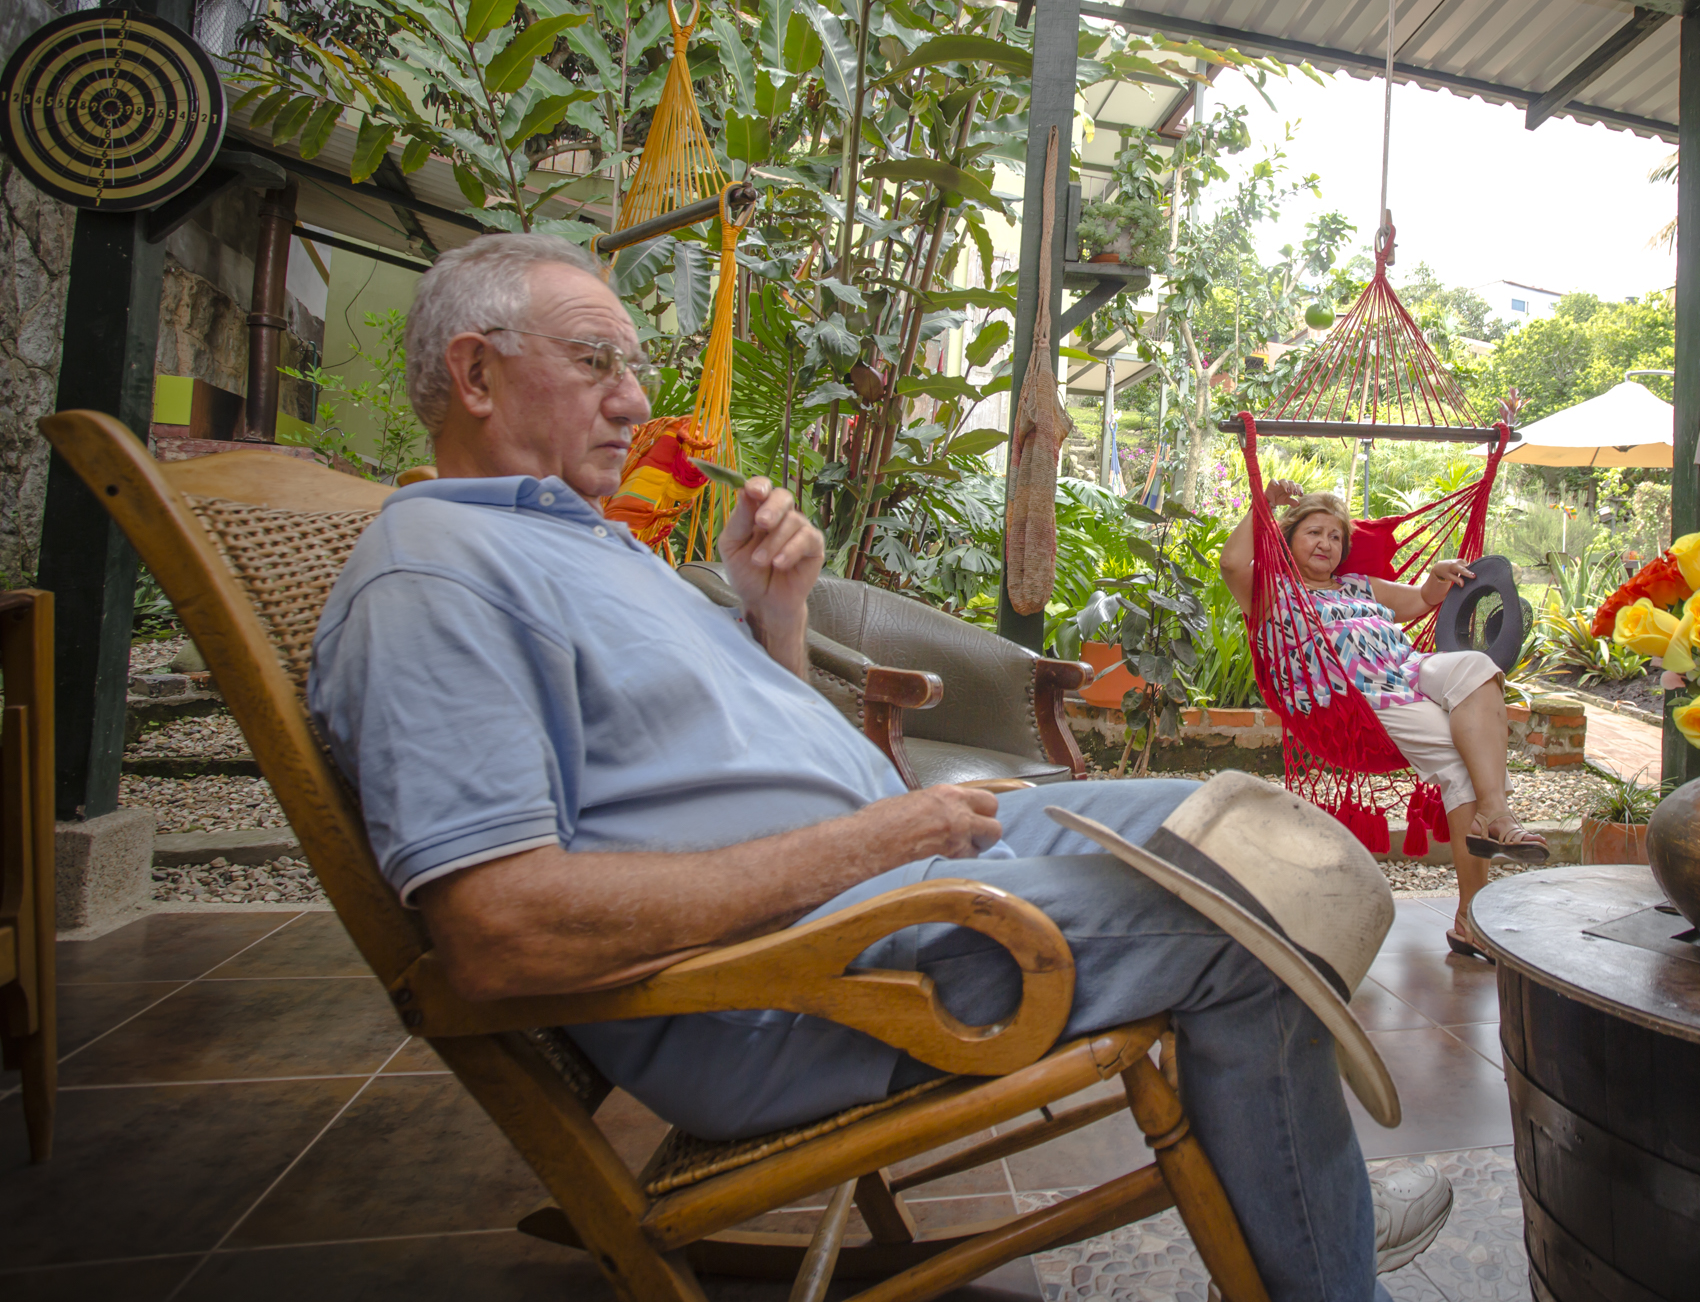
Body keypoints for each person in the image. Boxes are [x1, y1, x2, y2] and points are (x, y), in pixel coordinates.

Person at [304, 234, 1451, 1300]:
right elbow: (500, 932)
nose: (636, 398)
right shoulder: (441, 573)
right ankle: (1318, 1255)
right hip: (781, 985)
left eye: (636, 363)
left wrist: (778, 620)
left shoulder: (587, 543)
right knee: (1237, 921)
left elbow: (745, 758)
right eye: (596, 359)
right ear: (474, 373)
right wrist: (885, 837)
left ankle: (1296, 1186)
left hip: (872, 891)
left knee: (1238, 824)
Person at [1218, 478, 1547, 959]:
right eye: (1314, 532)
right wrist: (1263, 503)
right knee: (1460, 771)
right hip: (1358, 700)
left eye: (1335, 536)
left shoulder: (1357, 584)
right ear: (1288, 538)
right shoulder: (1273, 592)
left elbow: (1418, 601)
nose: (1326, 543)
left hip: (1409, 670)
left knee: (1479, 666)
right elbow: (1230, 563)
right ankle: (1471, 913)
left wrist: (1437, 579)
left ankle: (1495, 815)